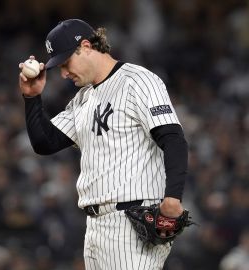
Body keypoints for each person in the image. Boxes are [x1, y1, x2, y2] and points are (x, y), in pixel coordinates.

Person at [18, 19, 189, 269]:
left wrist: (173, 197)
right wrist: (32, 98)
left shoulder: (138, 80)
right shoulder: (83, 98)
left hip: (132, 221)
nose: (64, 73)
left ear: (86, 46)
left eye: (66, 63)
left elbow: (173, 138)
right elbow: (44, 143)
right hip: (96, 226)